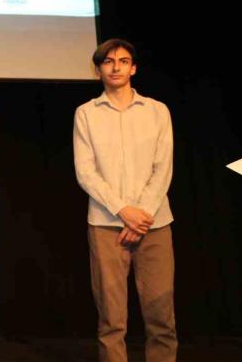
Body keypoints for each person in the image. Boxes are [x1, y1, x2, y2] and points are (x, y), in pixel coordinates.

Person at [73, 38, 177, 362]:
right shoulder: (86, 114)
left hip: (154, 224)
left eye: (123, 61)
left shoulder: (157, 111)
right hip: (106, 224)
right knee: (111, 319)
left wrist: (140, 214)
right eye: (108, 62)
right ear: (98, 70)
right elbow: (86, 172)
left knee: (161, 316)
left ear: (133, 68)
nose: (115, 67)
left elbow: (163, 167)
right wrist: (123, 210)